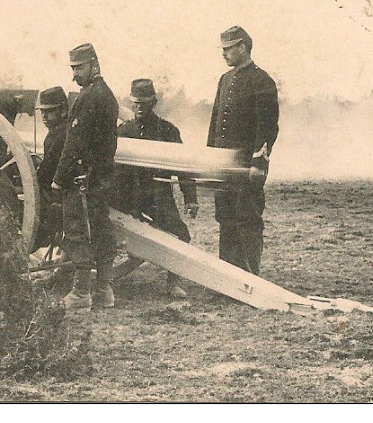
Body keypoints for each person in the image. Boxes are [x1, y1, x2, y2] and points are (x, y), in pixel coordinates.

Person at [116, 78, 199, 298]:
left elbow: (183, 168)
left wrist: (191, 198)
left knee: (181, 234)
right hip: (128, 196)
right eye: (135, 103)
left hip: (157, 196)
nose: (139, 107)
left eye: (144, 103)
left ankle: (173, 282)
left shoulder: (169, 131)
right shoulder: (123, 132)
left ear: (154, 101)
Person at [207, 26, 279, 276]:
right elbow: (215, 122)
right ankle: (228, 278)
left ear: (243, 47)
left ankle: (249, 279)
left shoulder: (262, 81)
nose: (224, 54)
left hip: (247, 167)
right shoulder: (224, 80)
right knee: (225, 219)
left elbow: (268, 128)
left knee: (247, 219)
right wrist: (211, 158)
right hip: (224, 167)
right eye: (223, 49)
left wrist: (259, 164)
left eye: (228, 49)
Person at [52, 43, 119, 311]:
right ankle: (105, 290)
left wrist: (59, 177)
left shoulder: (88, 97)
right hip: (102, 178)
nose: (75, 75)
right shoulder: (109, 96)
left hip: (82, 179)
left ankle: (81, 293)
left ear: (94, 65)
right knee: (101, 230)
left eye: (79, 68)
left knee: (78, 232)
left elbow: (75, 143)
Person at [35, 86, 69, 249]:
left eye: (49, 111)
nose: (44, 116)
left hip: (60, 193)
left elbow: (48, 169)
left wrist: (34, 178)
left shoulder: (61, 134)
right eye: (42, 112)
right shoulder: (57, 131)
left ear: (62, 110)